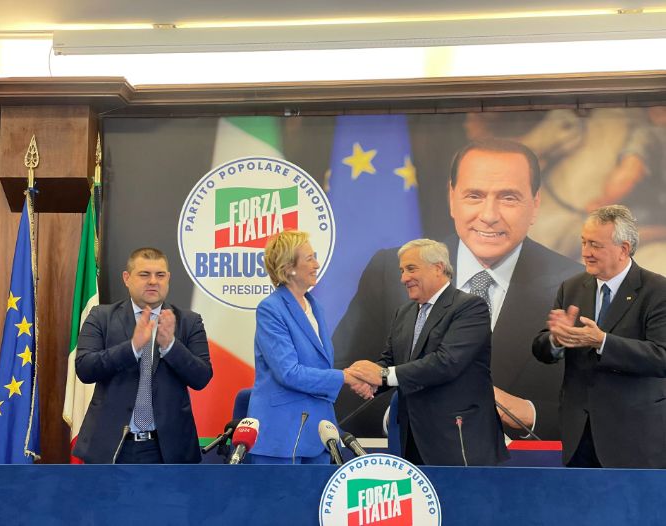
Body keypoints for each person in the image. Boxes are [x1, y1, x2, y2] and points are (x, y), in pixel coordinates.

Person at [334, 138, 582, 440]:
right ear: (452, 199)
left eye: (508, 198)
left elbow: (600, 404)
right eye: (474, 196)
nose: (489, 215)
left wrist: (526, 413)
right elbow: (340, 377)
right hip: (411, 461)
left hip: (523, 465)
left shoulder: (575, 285)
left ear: (535, 204)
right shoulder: (390, 271)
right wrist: (401, 416)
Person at [348, 239, 508, 466]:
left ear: (438, 268)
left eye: (411, 269)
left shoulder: (470, 307)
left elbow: (446, 362)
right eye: (402, 271)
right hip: (411, 438)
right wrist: (368, 379)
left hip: (457, 439)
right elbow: (392, 361)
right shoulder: (404, 313)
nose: (404, 278)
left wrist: (382, 376)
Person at [533, 205, 666, 468]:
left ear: (623, 249)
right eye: (584, 242)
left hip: (633, 436)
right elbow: (542, 348)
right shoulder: (571, 287)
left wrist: (603, 341)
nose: (585, 252)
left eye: (595, 245)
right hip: (579, 435)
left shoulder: (657, 290)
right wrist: (556, 340)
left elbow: (661, 357)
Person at [74, 247, 213, 464]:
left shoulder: (189, 321)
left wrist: (170, 346)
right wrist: (132, 347)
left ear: (168, 278)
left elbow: (202, 377)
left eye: (160, 275)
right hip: (111, 446)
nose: (153, 281)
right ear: (127, 278)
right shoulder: (101, 317)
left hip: (169, 450)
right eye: (144, 274)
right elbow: (85, 368)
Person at [247, 230, 372, 464]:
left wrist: (353, 377)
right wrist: (345, 377)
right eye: (309, 258)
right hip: (281, 434)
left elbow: (320, 367)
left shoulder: (316, 308)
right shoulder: (271, 309)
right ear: (289, 268)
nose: (316, 264)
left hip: (319, 431)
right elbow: (288, 372)